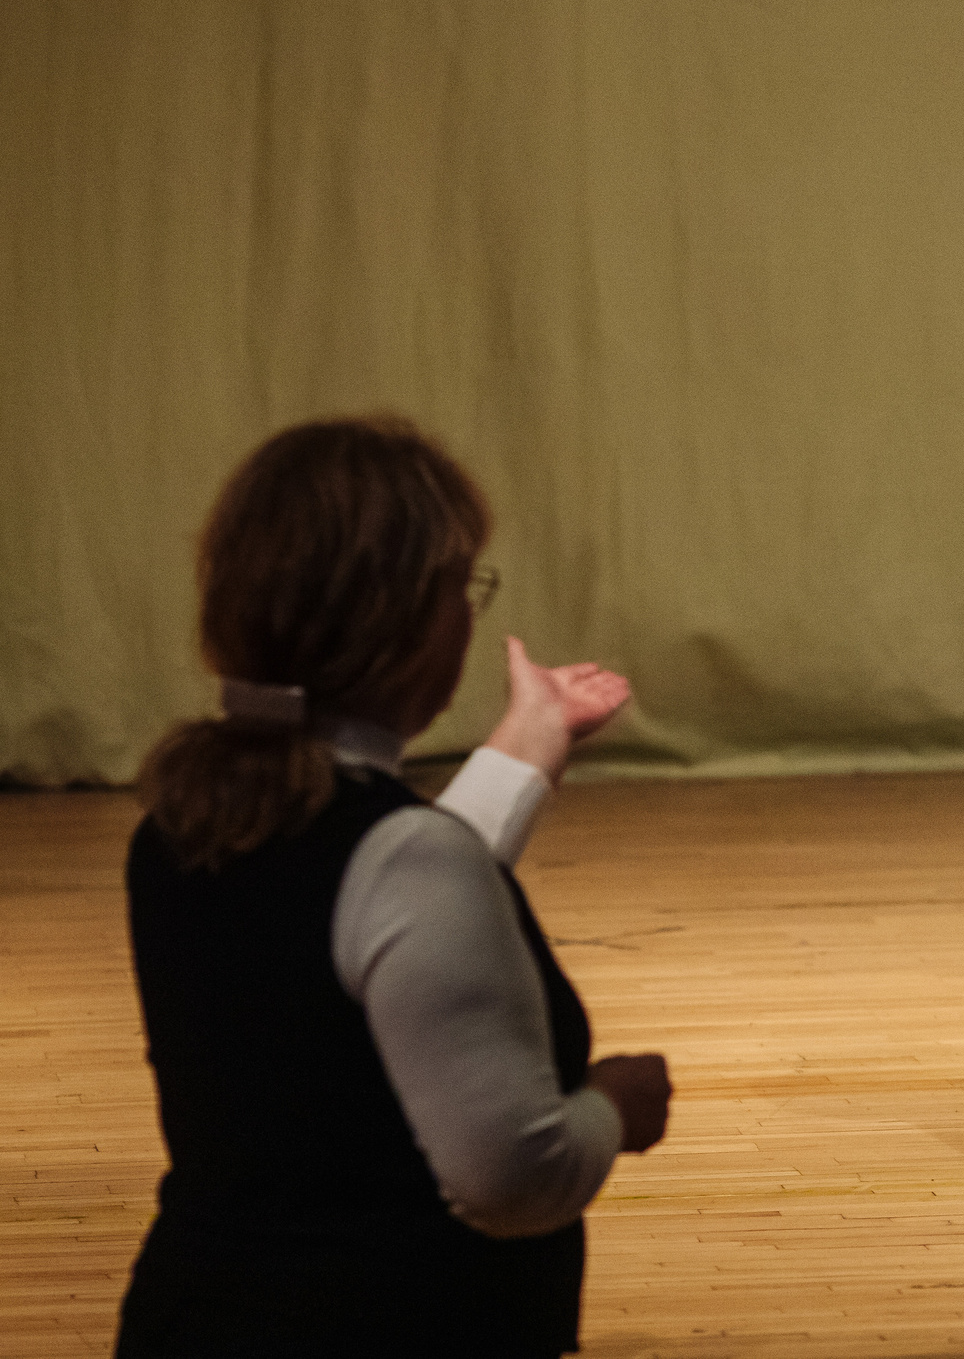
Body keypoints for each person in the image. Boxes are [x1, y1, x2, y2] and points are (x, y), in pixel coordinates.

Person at [116, 417, 671, 1358]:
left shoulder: (186, 821)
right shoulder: (398, 857)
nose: (470, 612)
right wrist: (614, 1105)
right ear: (404, 619)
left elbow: (368, 915)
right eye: (463, 586)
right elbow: (510, 1176)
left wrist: (529, 743)